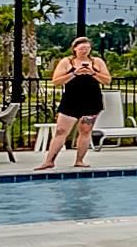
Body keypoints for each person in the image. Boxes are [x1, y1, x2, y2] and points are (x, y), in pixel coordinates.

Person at [37, 37, 111, 170]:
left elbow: (107, 80)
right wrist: (74, 73)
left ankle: (79, 160)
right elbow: (56, 81)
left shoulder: (97, 62)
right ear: (75, 48)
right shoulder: (67, 62)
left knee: (85, 130)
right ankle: (49, 161)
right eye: (82, 48)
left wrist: (93, 73)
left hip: (91, 101)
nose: (84, 51)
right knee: (61, 131)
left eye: (87, 48)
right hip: (71, 101)